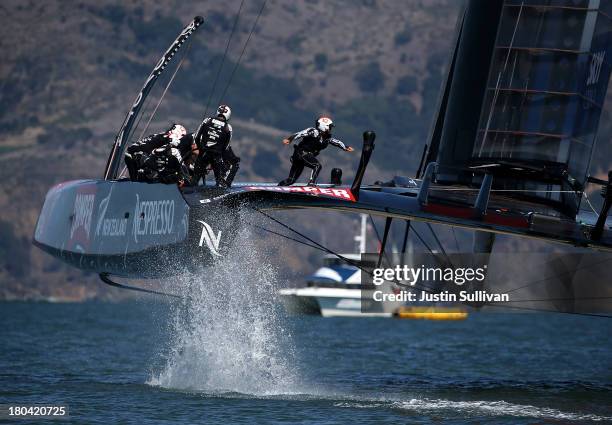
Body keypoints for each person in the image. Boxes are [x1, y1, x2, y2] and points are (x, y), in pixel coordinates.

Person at [279, 116, 353, 186]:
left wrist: (345, 147)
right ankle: (311, 184)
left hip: (303, 157)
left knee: (291, 180)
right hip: (301, 154)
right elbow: (300, 134)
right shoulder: (313, 132)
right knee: (317, 166)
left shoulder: (326, 138)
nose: (331, 129)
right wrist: (290, 139)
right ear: (324, 127)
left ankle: (277, 189)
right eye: (330, 127)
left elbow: (336, 142)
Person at [193, 104, 237, 188]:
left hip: (204, 154)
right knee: (219, 181)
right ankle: (220, 194)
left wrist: (201, 149)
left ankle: (189, 194)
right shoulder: (228, 127)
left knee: (195, 179)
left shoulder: (207, 120)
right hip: (216, 157)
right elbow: (226, 147)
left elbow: (196, 137)